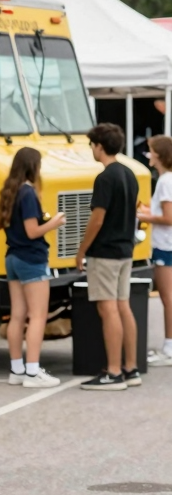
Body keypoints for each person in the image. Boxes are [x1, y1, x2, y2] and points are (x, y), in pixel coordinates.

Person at [76, 122, 141, 390]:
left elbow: (98, 218)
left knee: (108, 308)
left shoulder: (104, 178)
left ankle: (113, 372)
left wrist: (82, 250)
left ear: (99, 146)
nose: (92, 149)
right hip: (125, 249)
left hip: (104, 252)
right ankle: (131, 368)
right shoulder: (129, 174)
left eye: (92, 145)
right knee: (123, 306)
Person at [0, 148, 65, 387]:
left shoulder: (11, 191)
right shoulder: (28, 193)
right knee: (38, 316)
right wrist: (54, 223)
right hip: (31, 259)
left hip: (13, 257)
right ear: (33, 167)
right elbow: (32, 231)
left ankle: (17, 370)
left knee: (17, 315)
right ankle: (33, 372)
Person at [138, 135, 172, 365]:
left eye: (150, 150)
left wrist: (144, 217)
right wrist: (148, 211)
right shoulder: (167, 180)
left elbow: (169, 218)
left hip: (164, 245)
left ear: (159, 155)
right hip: (166, 244)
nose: (148, 155)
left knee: (167, 297)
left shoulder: (164, 182)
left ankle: (169, 347)